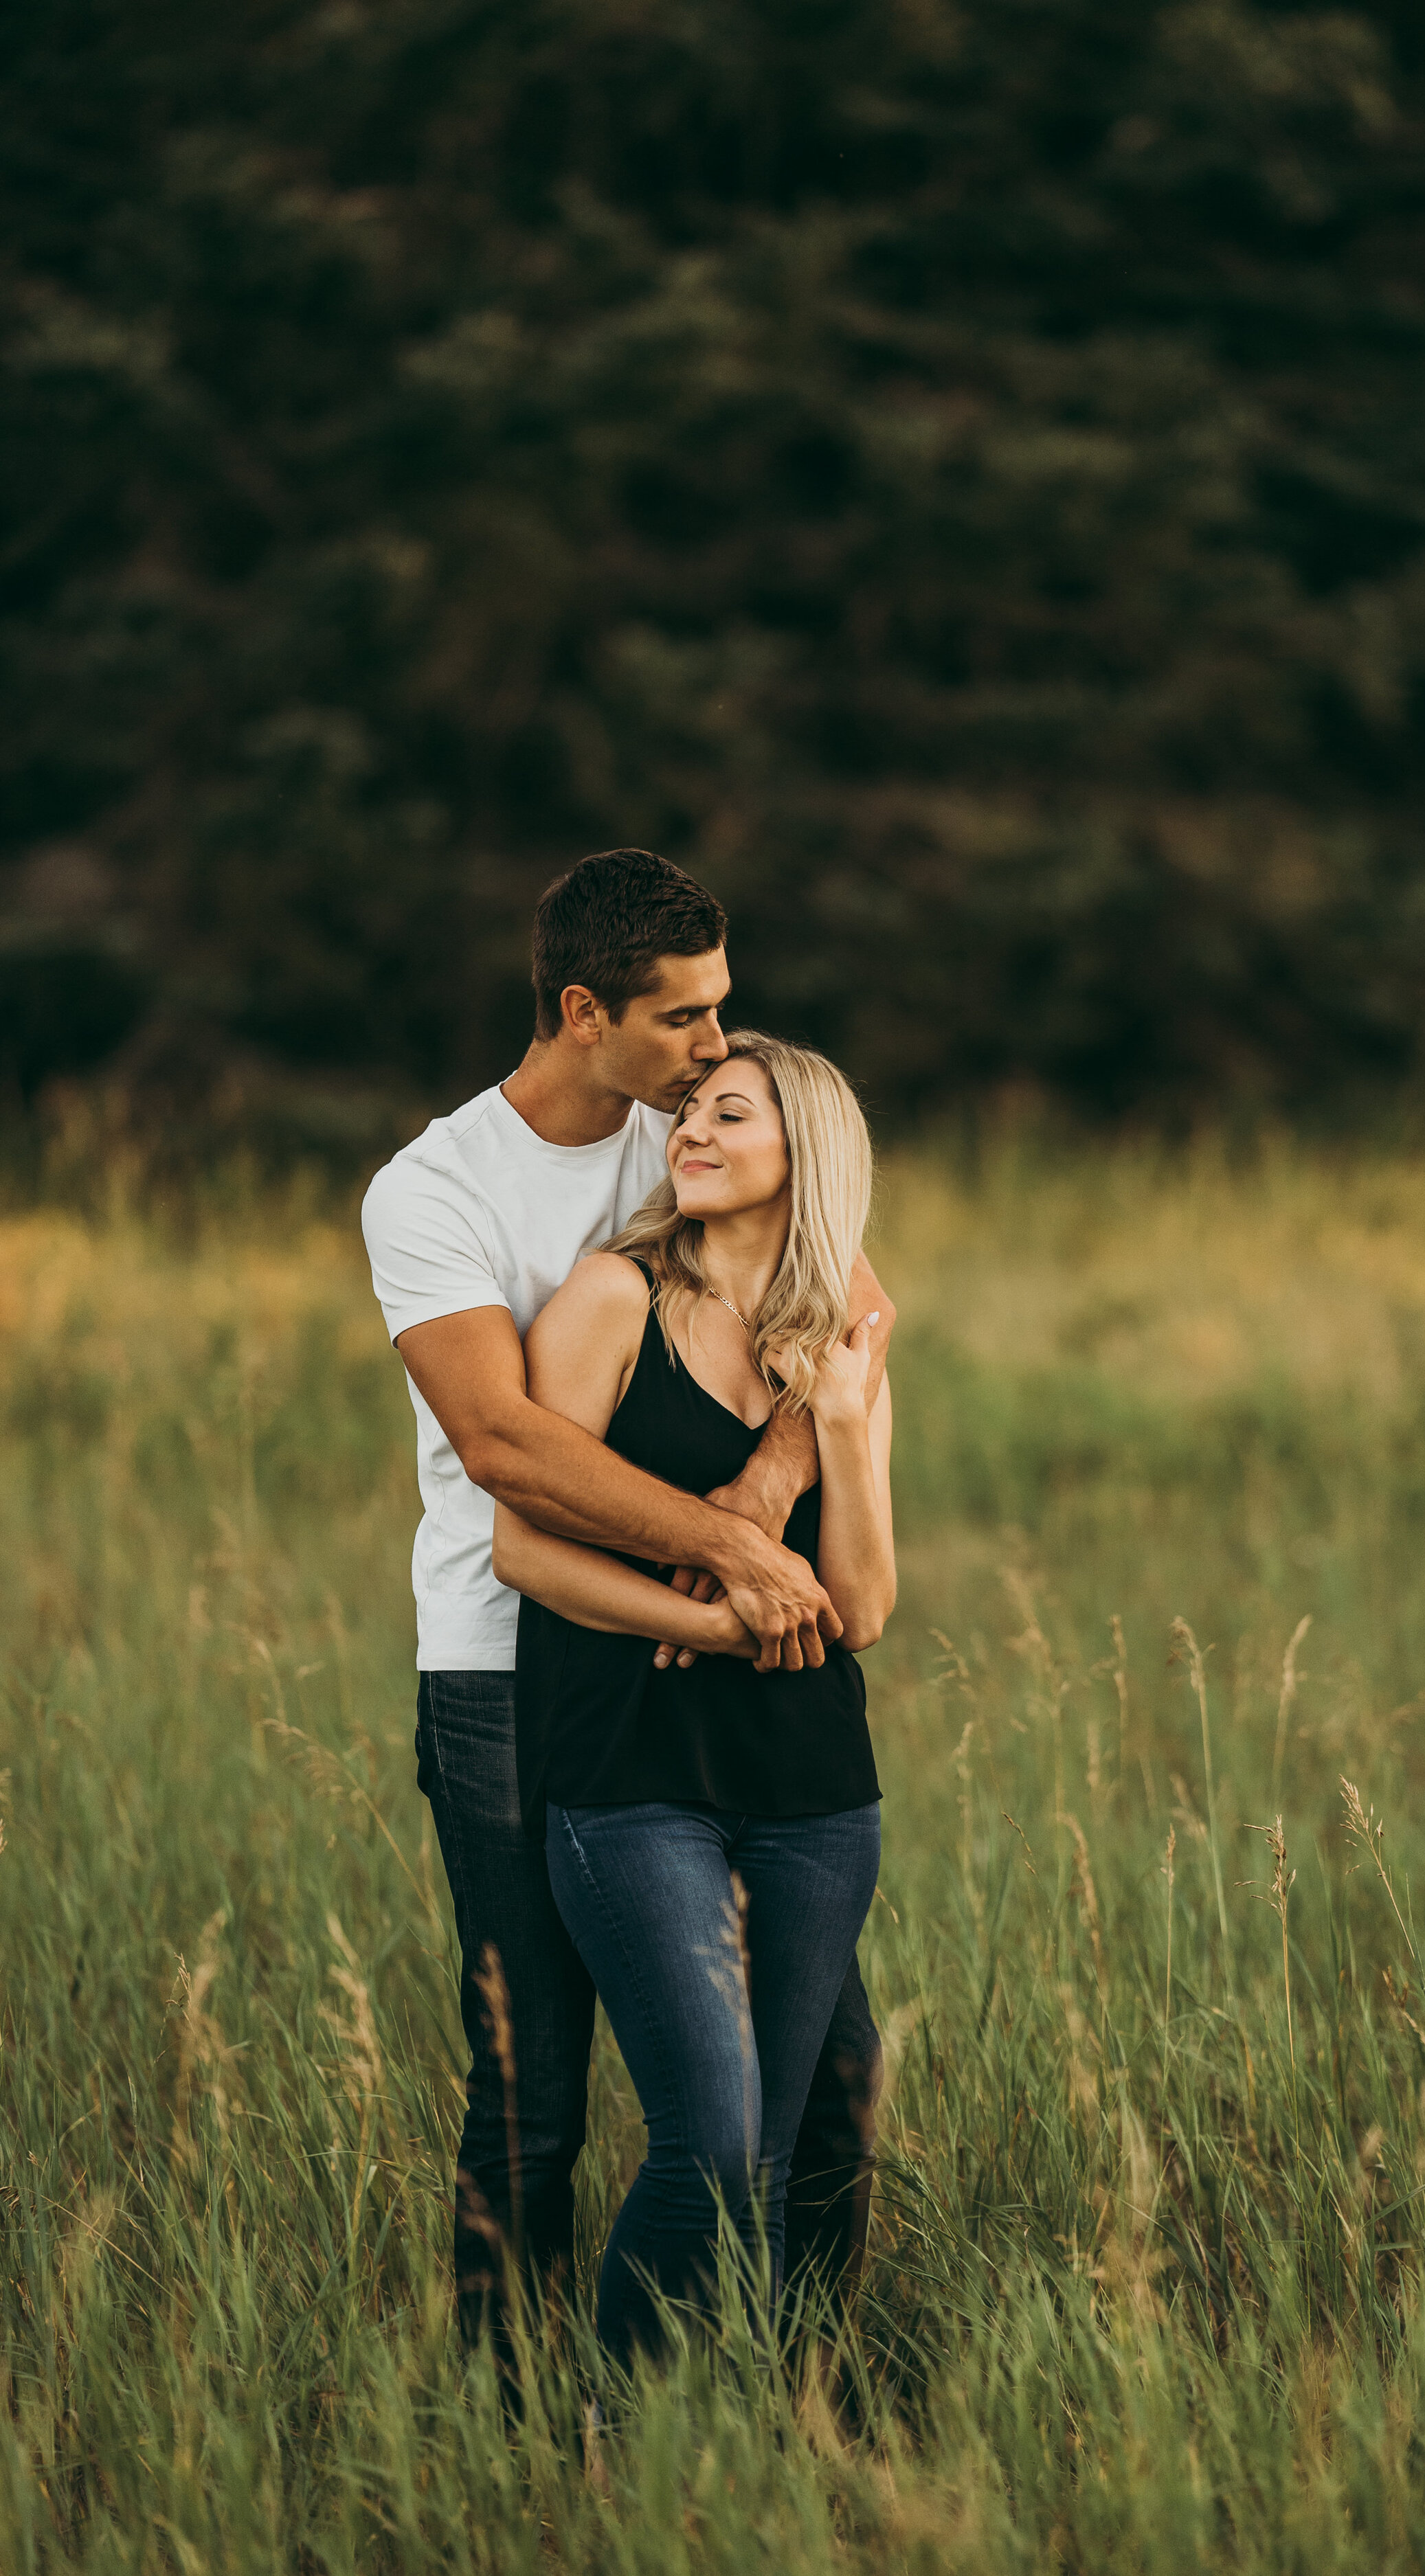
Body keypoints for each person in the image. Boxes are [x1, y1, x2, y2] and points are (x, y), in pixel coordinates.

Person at [359, 850, 894, 2357]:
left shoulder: (698, 1137)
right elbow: (504, 1447)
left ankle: (791, 2387)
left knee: (825, 2076)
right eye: (684, 1022)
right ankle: (506, 2415)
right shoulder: (435, 1190)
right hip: (503, 1669)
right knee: (532, 2079)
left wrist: (765, 1492)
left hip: (722, 1683)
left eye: (723, 1016)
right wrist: (727, 1560)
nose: (717, 1050)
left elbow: (847, 1304)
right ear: (584, 1013)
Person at [494, 1033, 893, 2360]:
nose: (695, 1132)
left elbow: (867, 1608)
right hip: (627, 1775)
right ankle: (616, 2445)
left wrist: (838, 1421)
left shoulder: (834, 1341)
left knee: (778, 2162)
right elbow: (525, 1546)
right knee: (711, 2142)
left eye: (733, 1115)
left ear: (808, 1153)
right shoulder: (613, 1299)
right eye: (693, 1112)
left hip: (813, 1792)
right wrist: (705, 1621)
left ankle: (753, 2441)